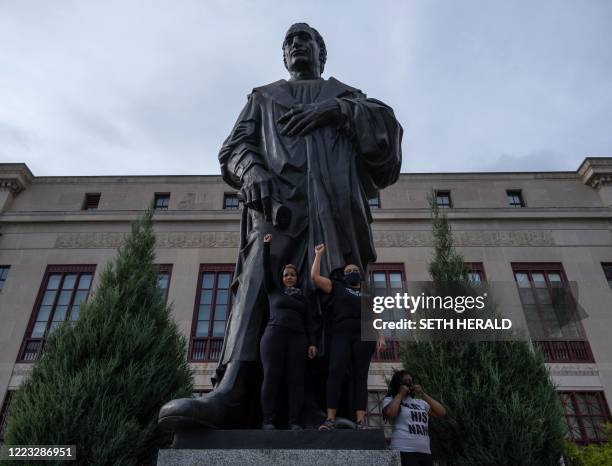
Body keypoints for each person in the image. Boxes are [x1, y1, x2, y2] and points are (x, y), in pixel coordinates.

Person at [158, 22, 402, 430]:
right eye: (289, 41)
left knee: (327, 299)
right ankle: (234, 388)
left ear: (321, 53)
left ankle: (321, 407)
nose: (296, 45)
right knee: (259, 288)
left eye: (305, 39)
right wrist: (252, 171)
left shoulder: (347, 97)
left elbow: (386, 145)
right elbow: (234, 148)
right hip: (277, 210)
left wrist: (339, 111)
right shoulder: (264, 98)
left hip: (334, 216)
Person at [310, 243, 386, 430]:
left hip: (364, 334)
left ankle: (360, 421)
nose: (351, 272)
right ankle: (330, 419)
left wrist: (381, 336)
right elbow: (315, 277)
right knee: (335, 371)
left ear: (359, 274)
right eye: (348, 270)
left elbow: (375, 316)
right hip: (341, 333)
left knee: (360, 377)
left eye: (354, 269)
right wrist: (318, 255)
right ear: (344, 275)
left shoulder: (368, 294)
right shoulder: (337, 286)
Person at [260, 233, 317, 430]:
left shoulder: (303, 299)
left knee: (296, 380)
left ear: (297, 278)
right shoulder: (273, 291)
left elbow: (310, 322)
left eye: (292, 275)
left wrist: (312, 343)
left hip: (298, 339)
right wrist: (266, 246)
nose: (289, 277)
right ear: (282, 279)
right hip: (274, 336)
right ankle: (267, 420)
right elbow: (266, 269)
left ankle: (294, 421)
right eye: (286, 275)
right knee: (271, 377)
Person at [382, 370, 446, 466]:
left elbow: (441, 412)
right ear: (398, 384)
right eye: (405, 381)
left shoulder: (420, 402)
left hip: (424, 451)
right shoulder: (391, 399)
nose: (409, 383)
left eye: (410, 381)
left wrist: (422, 394)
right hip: (403, 450)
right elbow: (390, 413)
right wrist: (400, 394)